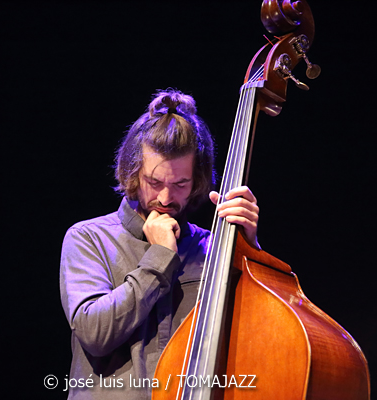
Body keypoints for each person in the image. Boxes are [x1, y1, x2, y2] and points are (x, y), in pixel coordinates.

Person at [59, 89, 259, 399]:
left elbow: (257, 332)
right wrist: (160, 257)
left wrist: (249, 248)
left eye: (180, 184)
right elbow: (95, 334)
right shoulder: (89, 238)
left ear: (197, 181)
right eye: (154, 182)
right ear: (133, 173)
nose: (165, 198)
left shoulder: (213, 249)